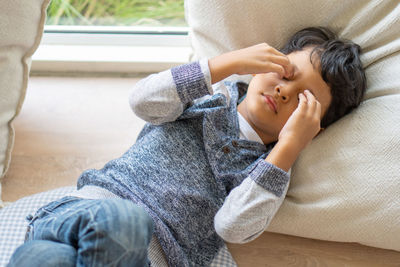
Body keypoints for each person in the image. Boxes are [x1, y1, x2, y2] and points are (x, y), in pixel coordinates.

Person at [8, 27, 366, 267]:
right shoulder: (208, 98)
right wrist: (224, 64)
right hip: (85, 212)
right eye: (285, 72)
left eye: (302, 100)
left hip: (139, 257)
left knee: (46, 257)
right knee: (121, 223)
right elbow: (143, 102)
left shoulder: (268, 173)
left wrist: (288, 148)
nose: (284, 91)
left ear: (311, 127)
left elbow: (234, 228)